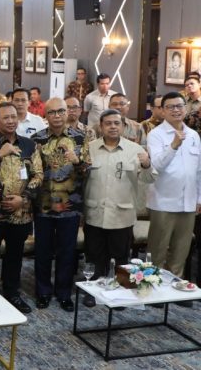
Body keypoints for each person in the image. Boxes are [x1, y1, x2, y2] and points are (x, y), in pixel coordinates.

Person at [0, 102, 43, 314]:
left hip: (20, 212)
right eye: (6, 117)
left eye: (14, 117)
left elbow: (38, 176)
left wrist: (23, 198)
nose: (11, 121)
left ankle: (12, 293)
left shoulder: (30, 145)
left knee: (15, 255)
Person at [82, 109, 155, 307]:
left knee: (121, 257)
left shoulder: (135, 149)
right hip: (95, 212)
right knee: (94, 255)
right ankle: (92, 291)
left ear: (123, 126)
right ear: (101, 126)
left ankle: (120, 293)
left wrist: (147, 164)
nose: (113, 127)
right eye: (108, 123)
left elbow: (149, 179)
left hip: (122, 215)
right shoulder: (89, 148)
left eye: (117, 123)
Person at [30, 98, 89, 312]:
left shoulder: (80, 138)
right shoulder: (36, 139)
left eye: (61, 111)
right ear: (45, 115)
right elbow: (31, 171)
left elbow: (88, 170)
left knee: (67, 252)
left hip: (70, 205)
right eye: (52, 112)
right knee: (43, 251)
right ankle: (43, 292)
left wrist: (77, 161)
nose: (57, 116)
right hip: (43, 205)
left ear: (67, 113)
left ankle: (64, 293)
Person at [146, 91, 201, 280]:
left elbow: (198, 170)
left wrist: (199, 198)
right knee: (157, 252)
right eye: (170, 107)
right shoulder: (156, 135)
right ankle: (152, 286)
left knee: (180, 253)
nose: (176, 110)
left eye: (179, 106)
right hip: (163, 202)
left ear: (185, 108)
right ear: (162, 110)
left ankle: (174, 286)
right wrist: (174, 145)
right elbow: (156, 166)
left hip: (188, 202)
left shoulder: (193, 135)